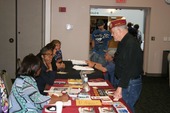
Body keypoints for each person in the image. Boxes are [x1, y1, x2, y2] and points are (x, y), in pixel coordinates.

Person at [109, 19, 143, 113]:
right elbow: (119, 60)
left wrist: (119, 88)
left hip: (129, 83)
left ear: (119, 31)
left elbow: (128, 68)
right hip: (124, 81)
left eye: (113, 32)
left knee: (125, 108)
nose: (112, 35)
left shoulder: (130, 43)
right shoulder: (123, 42)